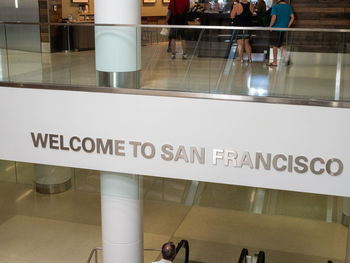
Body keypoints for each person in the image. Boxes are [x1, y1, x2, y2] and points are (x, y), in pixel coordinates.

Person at [267, 0, 295, 66]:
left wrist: (270, 26)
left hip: (276, 29)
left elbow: (274, 17)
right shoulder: (288, 6)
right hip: (283, 29)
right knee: (279, 44)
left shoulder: (275, 7)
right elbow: (293, 17)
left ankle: (274, 62)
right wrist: (287, 26)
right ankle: (286, 58)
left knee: (275, 45)